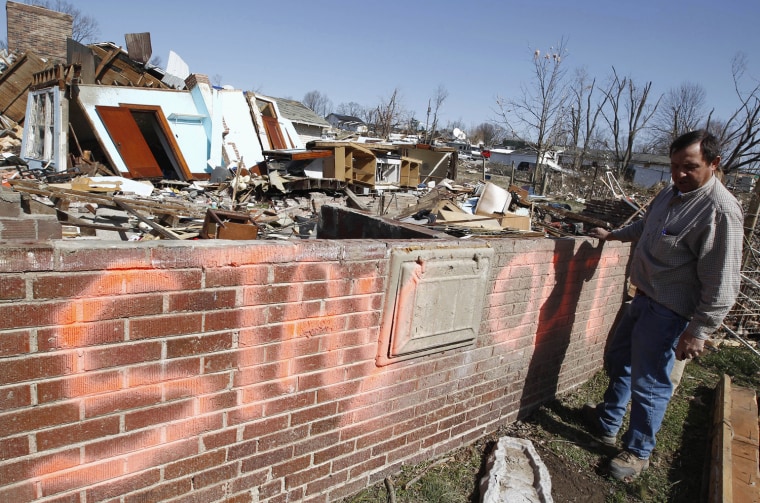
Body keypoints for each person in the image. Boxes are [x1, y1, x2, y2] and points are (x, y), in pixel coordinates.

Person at [586, 130, 743, 481]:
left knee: (650, 382)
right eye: (673, 166)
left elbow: (723, 284)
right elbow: (647, 226)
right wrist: (613, 236)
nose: (679, 174)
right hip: (642, 297)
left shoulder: (719, 211)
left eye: (689, 167)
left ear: (714, 164)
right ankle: (608, 421)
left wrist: (698, 332)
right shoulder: (672, 193)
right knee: (618, 359)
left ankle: (638, 451)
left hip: (670, 313)